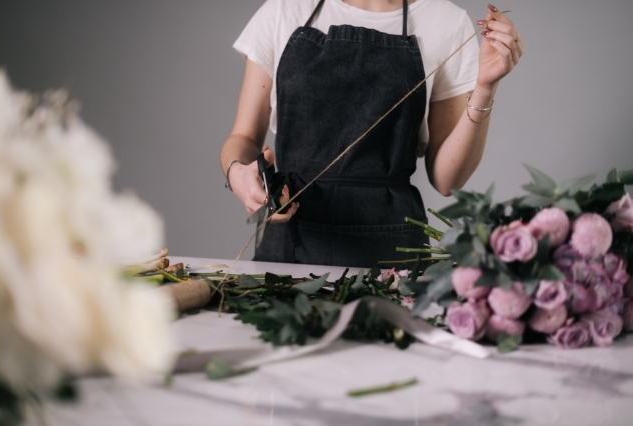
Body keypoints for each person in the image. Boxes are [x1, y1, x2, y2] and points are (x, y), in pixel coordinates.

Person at [220, 0, 523, 267]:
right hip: (289, 243)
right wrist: (238, 174)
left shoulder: (445, 20)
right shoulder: (285, 8)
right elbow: (243, 139)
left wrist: (485, 88)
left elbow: (448, 181)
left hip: (391, 251)